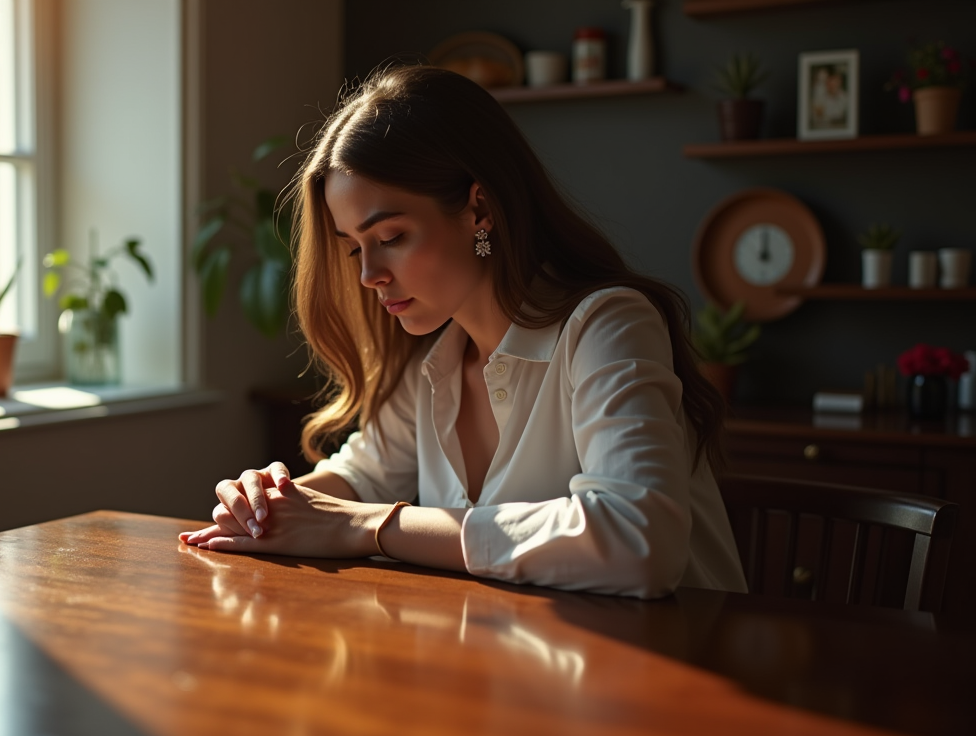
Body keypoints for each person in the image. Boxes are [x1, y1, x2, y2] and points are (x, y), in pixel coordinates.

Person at [180, 66, 747, 599]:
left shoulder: (606, 325)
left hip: (678, 676)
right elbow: (361, 476)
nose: (367, 275)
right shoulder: (433, 360)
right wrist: (270, 500)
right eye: (353, 247)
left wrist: (371, 526)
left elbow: (639, 541)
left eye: (392, 236)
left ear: (479, 209)